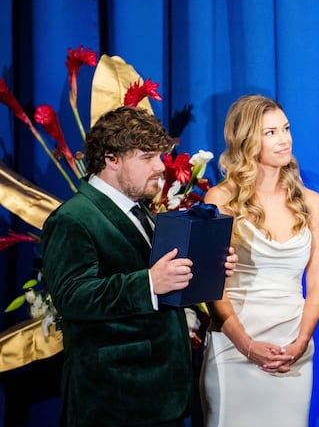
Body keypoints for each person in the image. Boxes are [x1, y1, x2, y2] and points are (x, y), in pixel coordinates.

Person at [41, 106, 237, 426]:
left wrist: (207, 266)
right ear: (111, 159)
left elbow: (162, 283)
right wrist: (148, 283)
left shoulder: (139, 209)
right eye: (147, 158)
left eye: (159, 157)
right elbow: (72, 296)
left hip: (158, 396)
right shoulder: (72, 219)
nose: (160, 167)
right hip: (113, 400)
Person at [200, 95, 319, 426]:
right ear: (246, 140)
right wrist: (246, 345)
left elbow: (317, 282)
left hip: (291, 351)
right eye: (270, 132)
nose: (284, 139)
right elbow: (213, 286)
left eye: (285, 128)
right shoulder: (220, 199)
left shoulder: (312, 203)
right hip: (234, 347)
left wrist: (301, 342)